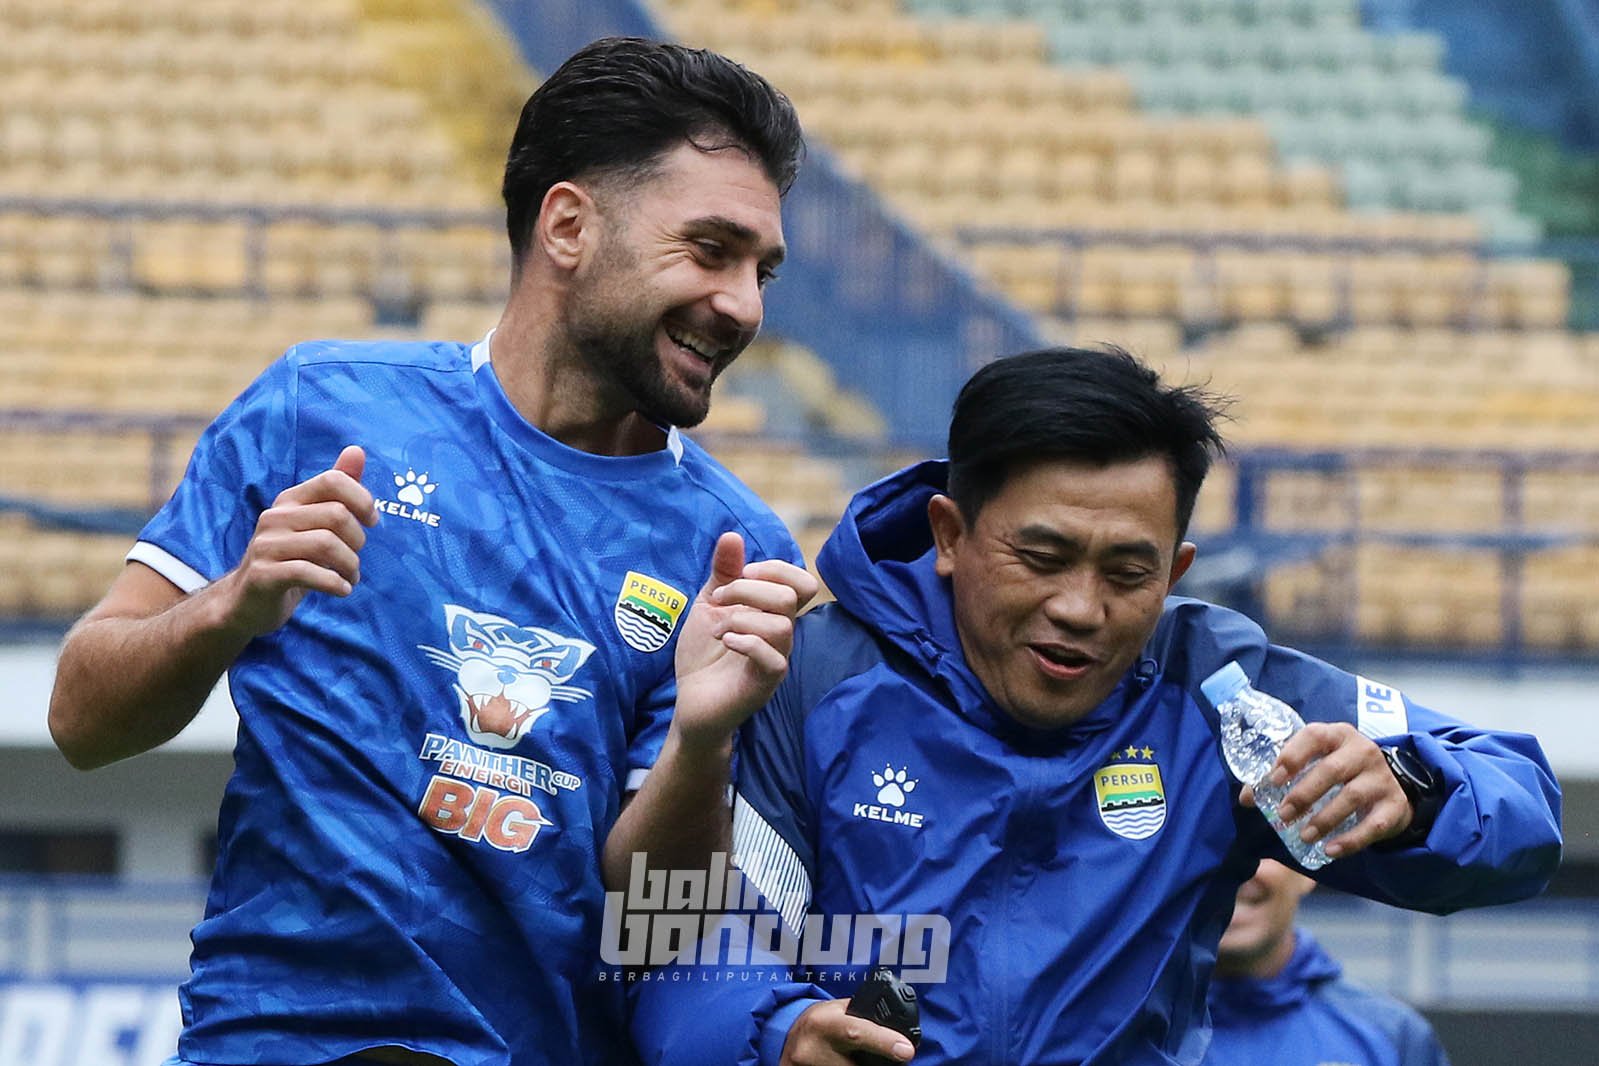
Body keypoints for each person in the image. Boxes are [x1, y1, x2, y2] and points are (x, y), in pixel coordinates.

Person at [46, 37, 818, 1066]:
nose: (744, 305)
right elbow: (82, 722)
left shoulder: (733, 553)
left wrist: (702, 741)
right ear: (569, 225)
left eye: (762, 270)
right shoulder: (321, 408)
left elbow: (658, 926)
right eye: (710, 250)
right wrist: (229, 606)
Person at [627, 346, 1562, 1066]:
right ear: (948, 534)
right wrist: (779, 1030)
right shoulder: (806, 681)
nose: (1080, 608)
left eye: (1127, 572)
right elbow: (676, 931)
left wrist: (1413, 791)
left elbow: (1518, 804)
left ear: (1175, 571)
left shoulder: (1218, 688)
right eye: (1040, 558)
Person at [1204, 858, 1452, 1066]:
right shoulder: (1170, 1030)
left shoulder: (1394, 1036)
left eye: (1261, 849)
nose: (1237, 870)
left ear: (1306, 869)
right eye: (1214, 845)